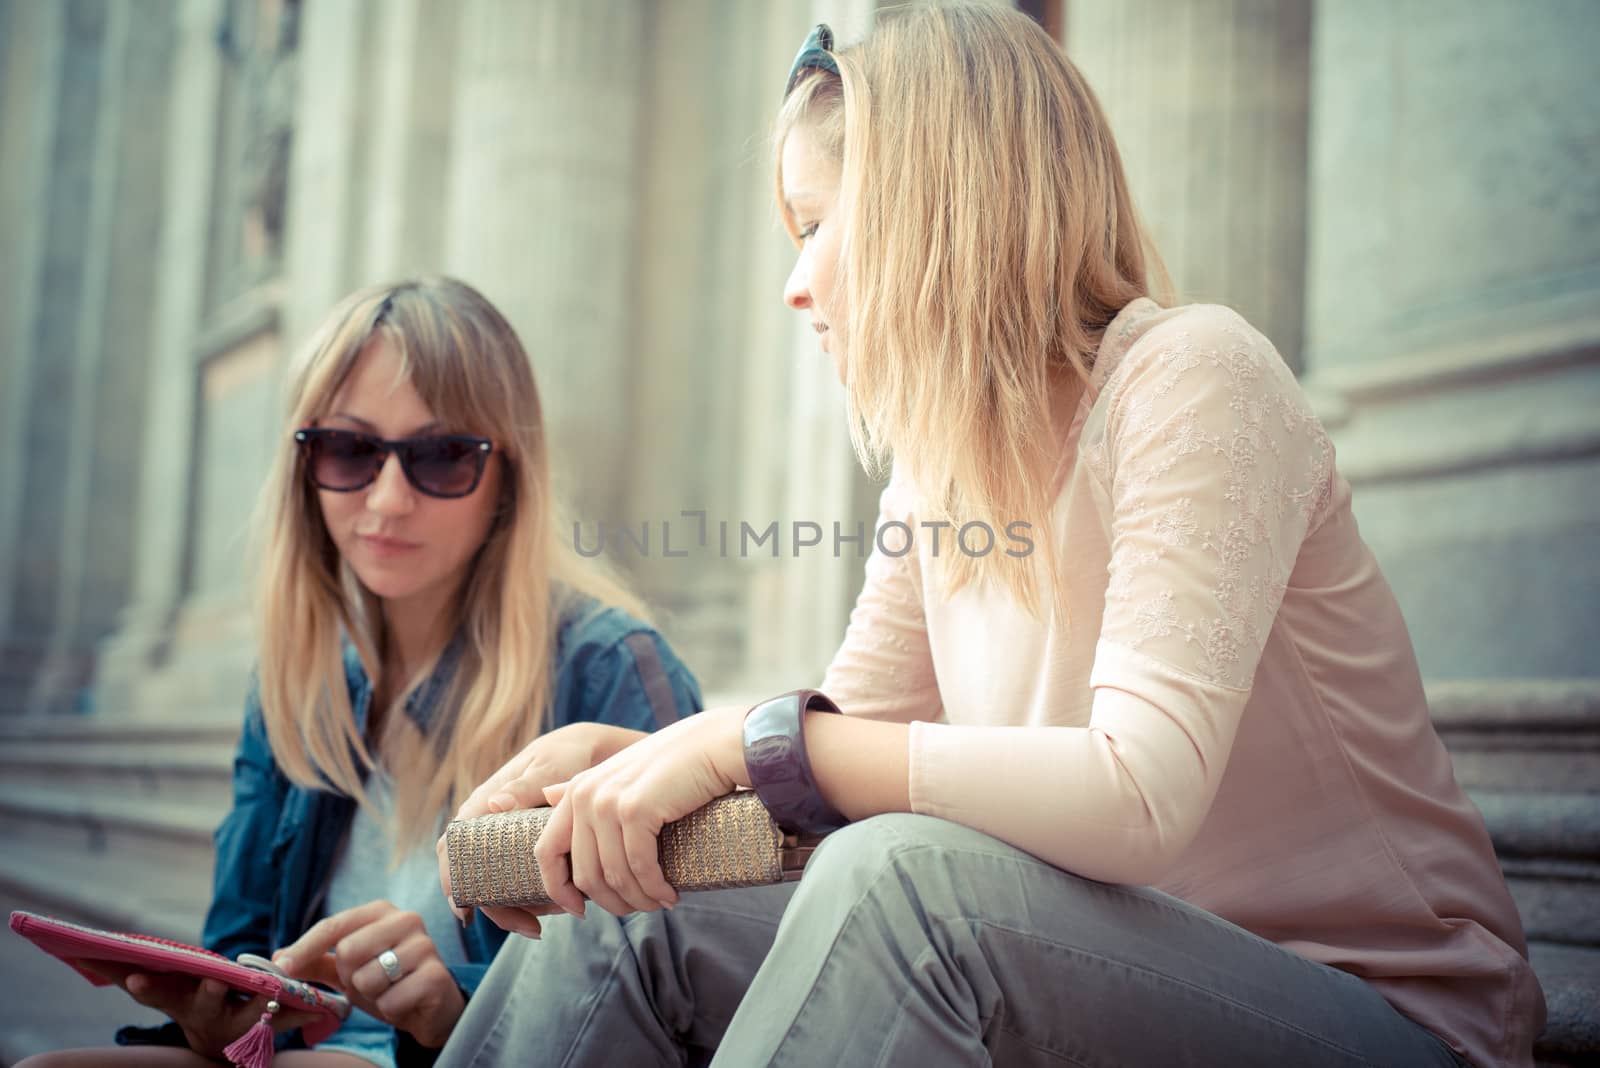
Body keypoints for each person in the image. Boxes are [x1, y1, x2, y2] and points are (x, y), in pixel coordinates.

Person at [431, 7, 1544, 1068]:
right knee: (633, 916)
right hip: (1098, 970)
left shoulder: (1193, 376)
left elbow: (1135, 795)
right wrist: (626, 781)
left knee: (904, 880)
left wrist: (736, 739)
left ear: (941, 206)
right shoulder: (937, 473)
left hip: (1382, 1018)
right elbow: (826, 779)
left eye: (818, 225)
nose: (793, 285)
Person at [17, 277, 702, 1068]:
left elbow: (663, 994)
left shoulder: (610, 668)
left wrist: (453, 1007)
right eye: (348, 450)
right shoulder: (297, 683)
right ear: (305, 467)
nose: (387, 498)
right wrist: (222, 1014)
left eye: (442, 457)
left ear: (507, 478)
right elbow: (239, 948)